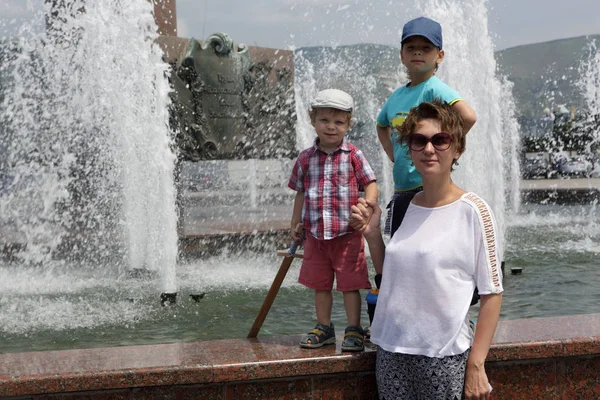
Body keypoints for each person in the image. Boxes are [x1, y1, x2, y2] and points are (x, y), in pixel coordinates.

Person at [351, 100, 503, 399]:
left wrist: (476, 364)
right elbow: (391, 276)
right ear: (410, 149)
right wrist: (371, 236)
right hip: (391, 350)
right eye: (419, 141)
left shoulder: (474, 211)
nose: (429, 149)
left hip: (442, 355)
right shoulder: (402, 205)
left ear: (457, 148)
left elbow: (492, 293)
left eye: (440, 139)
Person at [288, 88, 378, 352]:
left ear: (348, 125)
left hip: (347, 235)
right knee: (320, 284)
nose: (331, 127)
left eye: (339, 122)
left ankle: (354, 328)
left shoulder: (353, 155)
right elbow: (301, 193)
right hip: (315, 235)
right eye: (324, 120)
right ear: (313, 121)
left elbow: (370, 183)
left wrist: (367, 205)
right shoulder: (305, 158)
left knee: (350, 284)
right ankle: (324, 327)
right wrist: (295, 224)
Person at [376, 16, 477, 234]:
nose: (418, 52)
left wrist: (446, 147)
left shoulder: (434, 89)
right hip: (401, 189)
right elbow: (381, 124)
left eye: (426, 48)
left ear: (439, 56)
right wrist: (392, 152)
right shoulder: (397, 96)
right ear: (402, 55)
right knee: (398, 248)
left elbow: (468, 117)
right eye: (411, 47)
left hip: (426, 188)